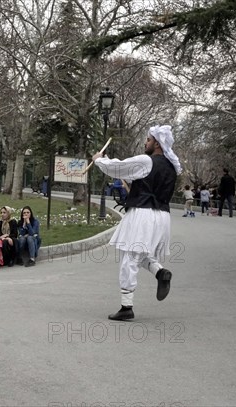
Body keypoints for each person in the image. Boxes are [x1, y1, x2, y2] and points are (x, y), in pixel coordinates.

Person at [92, 125, 181, 321]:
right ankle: (160, 272)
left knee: (130, 258)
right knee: (139, 254)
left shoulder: (146, 161)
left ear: (157, 143)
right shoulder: (173, 166)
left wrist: (99, 160)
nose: (145, 143)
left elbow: (118, 167)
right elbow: (137, 177)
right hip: (162, 216)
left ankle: (126, 306)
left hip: (143, 214)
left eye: (148, 140)